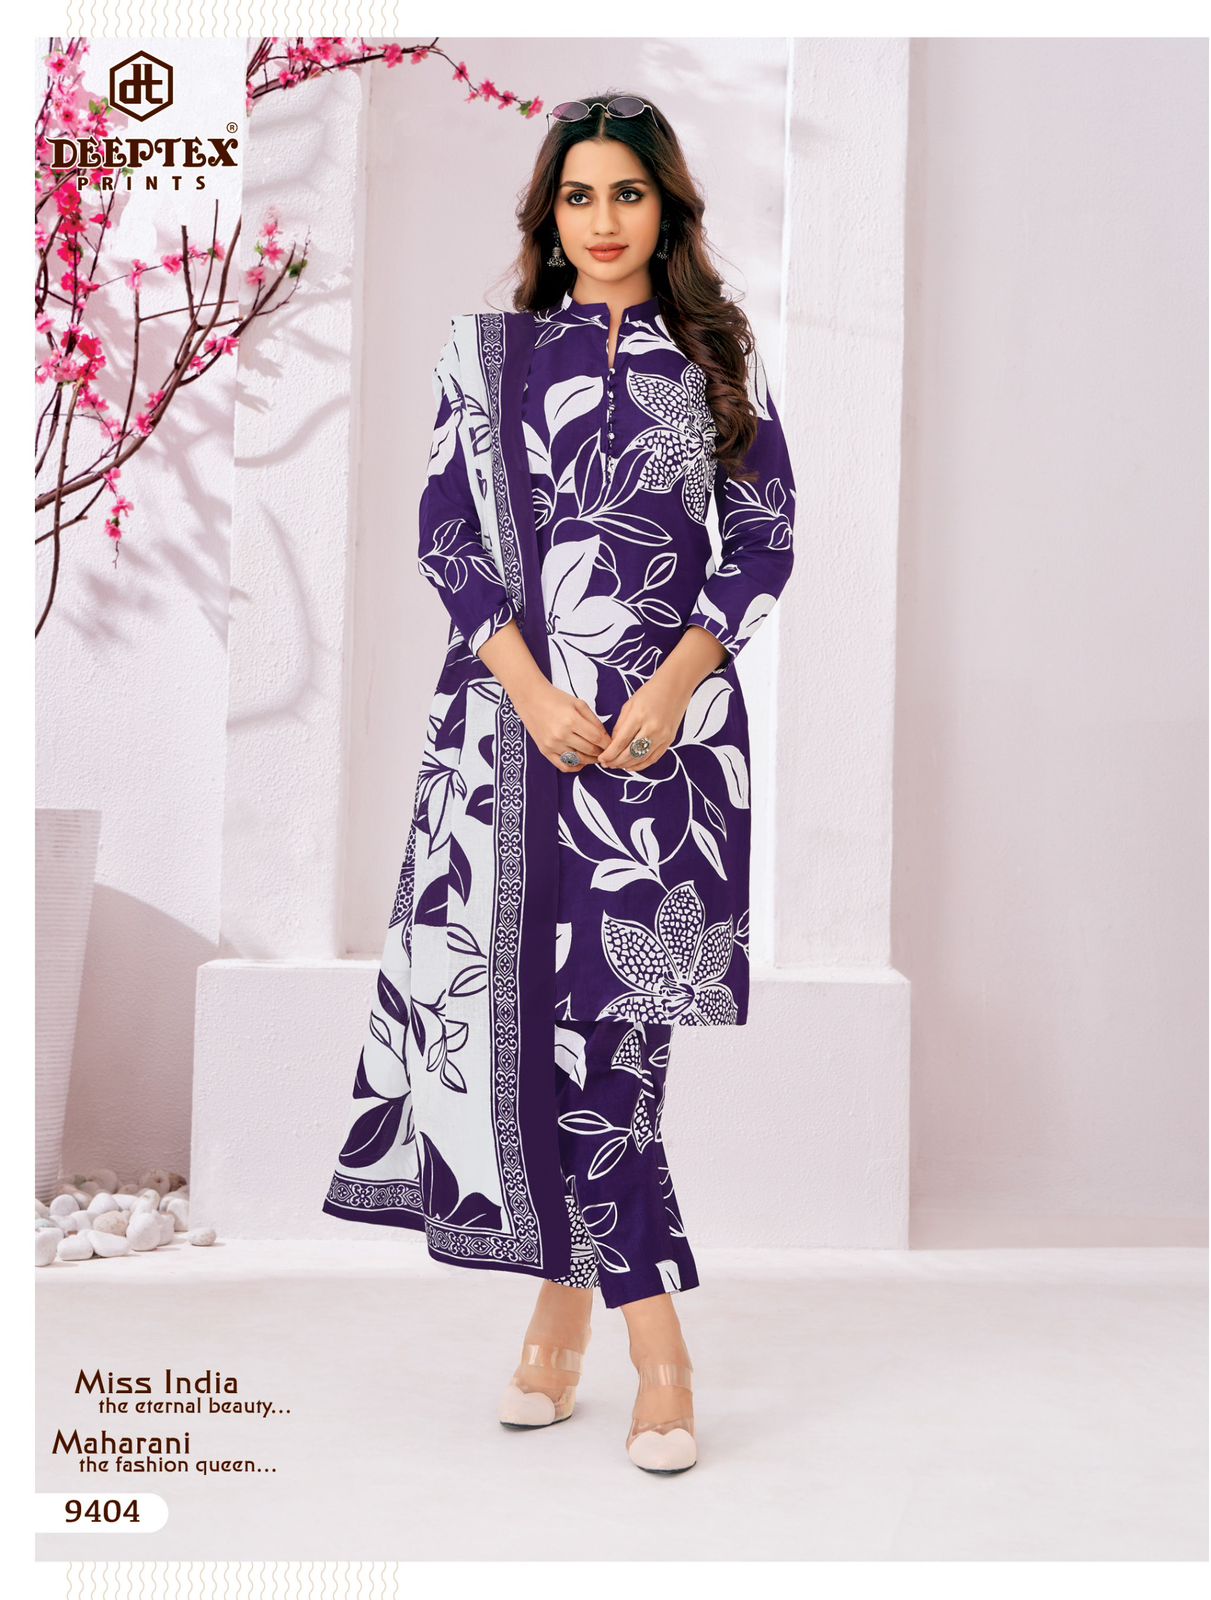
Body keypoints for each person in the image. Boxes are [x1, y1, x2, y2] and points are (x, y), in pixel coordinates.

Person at [323, 90, 796, 1475]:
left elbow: (763, 542)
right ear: (550, 214)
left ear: (667, 208)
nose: (603, 220)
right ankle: (629, 1337)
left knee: (617, 1049)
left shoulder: (718, 358)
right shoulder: (489, 358)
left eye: (628, 194)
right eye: (579, 196)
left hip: (669, 755)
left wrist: (673, 686)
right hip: (508, 742)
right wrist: (533, 696)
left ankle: (598, 1328)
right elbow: (448, 539)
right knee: (534, 1038)